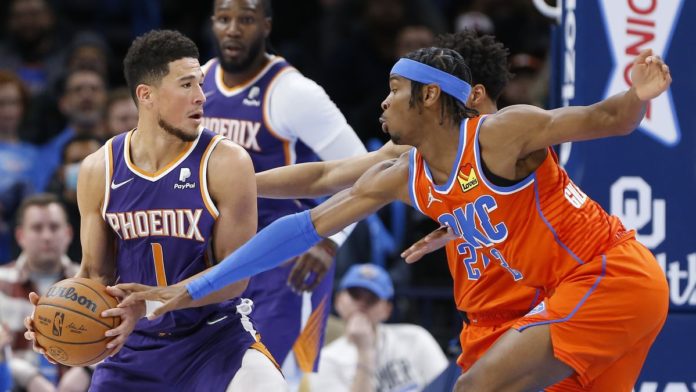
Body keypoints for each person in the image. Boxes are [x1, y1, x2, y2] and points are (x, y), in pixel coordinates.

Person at [121, 45, 672, 391]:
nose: (382, 103)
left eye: (394, 90)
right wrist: (199, 262)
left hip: (608, 275)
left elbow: (605, 118)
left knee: (476, 387)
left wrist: (638, 94)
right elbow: (308, 212)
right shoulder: (405, 171)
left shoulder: (500, 134)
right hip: (570, 294)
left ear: (430, 97)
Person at [24, 29, 286, 391]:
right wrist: (57, 324)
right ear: (146, 95)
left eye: (201, 83)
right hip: (132, 347)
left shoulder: (225, 162)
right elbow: (95, 274)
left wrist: (147, 305)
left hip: (213, 340)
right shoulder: (99, 169)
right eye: (186, 85)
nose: (201, 97)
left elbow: (234, 278)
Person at [201, 0, 367, 376]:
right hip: (219, 256)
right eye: (224, 19)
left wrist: (330, 241)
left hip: (285, 261)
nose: (233, 29)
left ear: (266, 26)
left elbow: (367, 170)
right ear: (212, 24)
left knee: (273, 377)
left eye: (245, 19)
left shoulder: (294, 92)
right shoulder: (198, 84)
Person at [311, 263, 447, 392]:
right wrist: (364, 352)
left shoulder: (415, 338)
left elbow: (447, 387)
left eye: (371, 299)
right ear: (338, 300)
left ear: (387, 310)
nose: (362, 304)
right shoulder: (325, 361)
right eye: (355, 295)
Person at [0, 194, 78, 391]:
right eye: (37, 228)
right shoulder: (1, 282)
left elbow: (118, 341)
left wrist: (87, 370)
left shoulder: (90, 283)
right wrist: (29, 377)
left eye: (54, 227)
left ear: (68, 233)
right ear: (20, 236)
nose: (46, 236)